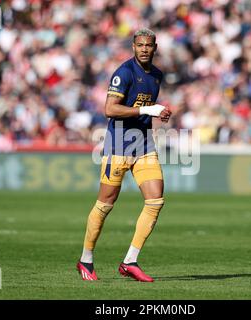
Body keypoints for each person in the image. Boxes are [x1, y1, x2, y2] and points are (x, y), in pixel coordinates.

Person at [76, 29, 171, 282]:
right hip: (118, 147)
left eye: (148, 45)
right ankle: (86, 259)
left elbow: (142, 111)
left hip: (143, 147)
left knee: (156, 200)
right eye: (139, 45)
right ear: (133, 46)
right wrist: (148, 108)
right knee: (106, 203)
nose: (144, 49)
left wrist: (156, 113)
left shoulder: (157, 75)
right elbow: (110, 108)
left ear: (155, 47)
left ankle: (130, 261)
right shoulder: (124, 73)